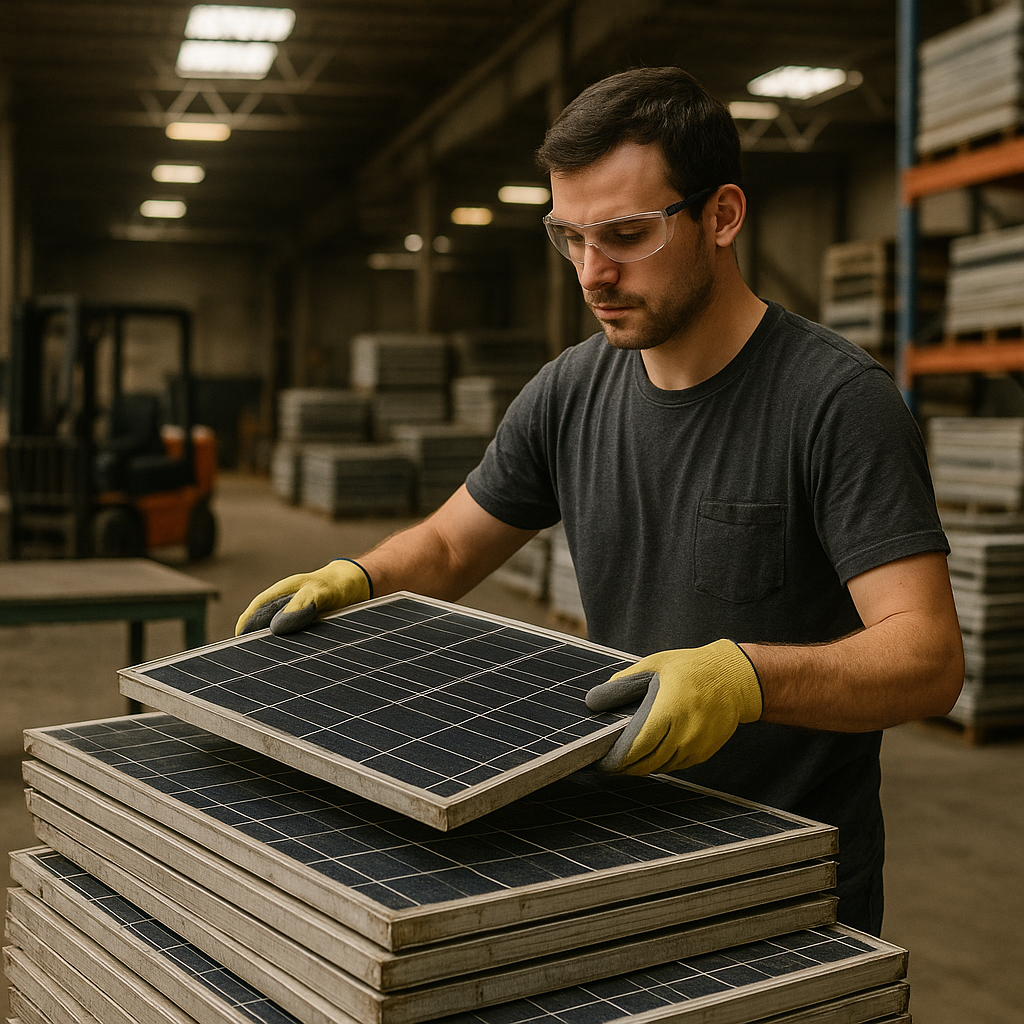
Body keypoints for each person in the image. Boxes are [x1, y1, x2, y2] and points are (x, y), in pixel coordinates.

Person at [236, 67, 964, 936]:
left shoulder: (834, 401)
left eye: (625, 234)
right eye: (570, 237)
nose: (591, 273)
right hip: (618, 849)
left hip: (784, 880)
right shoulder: (570, 391)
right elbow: (451, 546)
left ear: (722, 215)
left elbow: (925, 656)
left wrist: (744, 679)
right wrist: (359, 575)